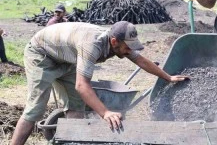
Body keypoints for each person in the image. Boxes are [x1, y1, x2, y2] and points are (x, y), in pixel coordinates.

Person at [11, 21, 189, 145]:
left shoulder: (121, 43)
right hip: (42, 54)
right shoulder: (92, 45)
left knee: (76, 106)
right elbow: (82, 86)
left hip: (66, 58)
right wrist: (106, 113)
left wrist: (168, 77)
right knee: (36, 107)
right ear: (114, 41)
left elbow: (141, 60)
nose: (130, 51)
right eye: (127, 47)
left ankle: (72, 142)